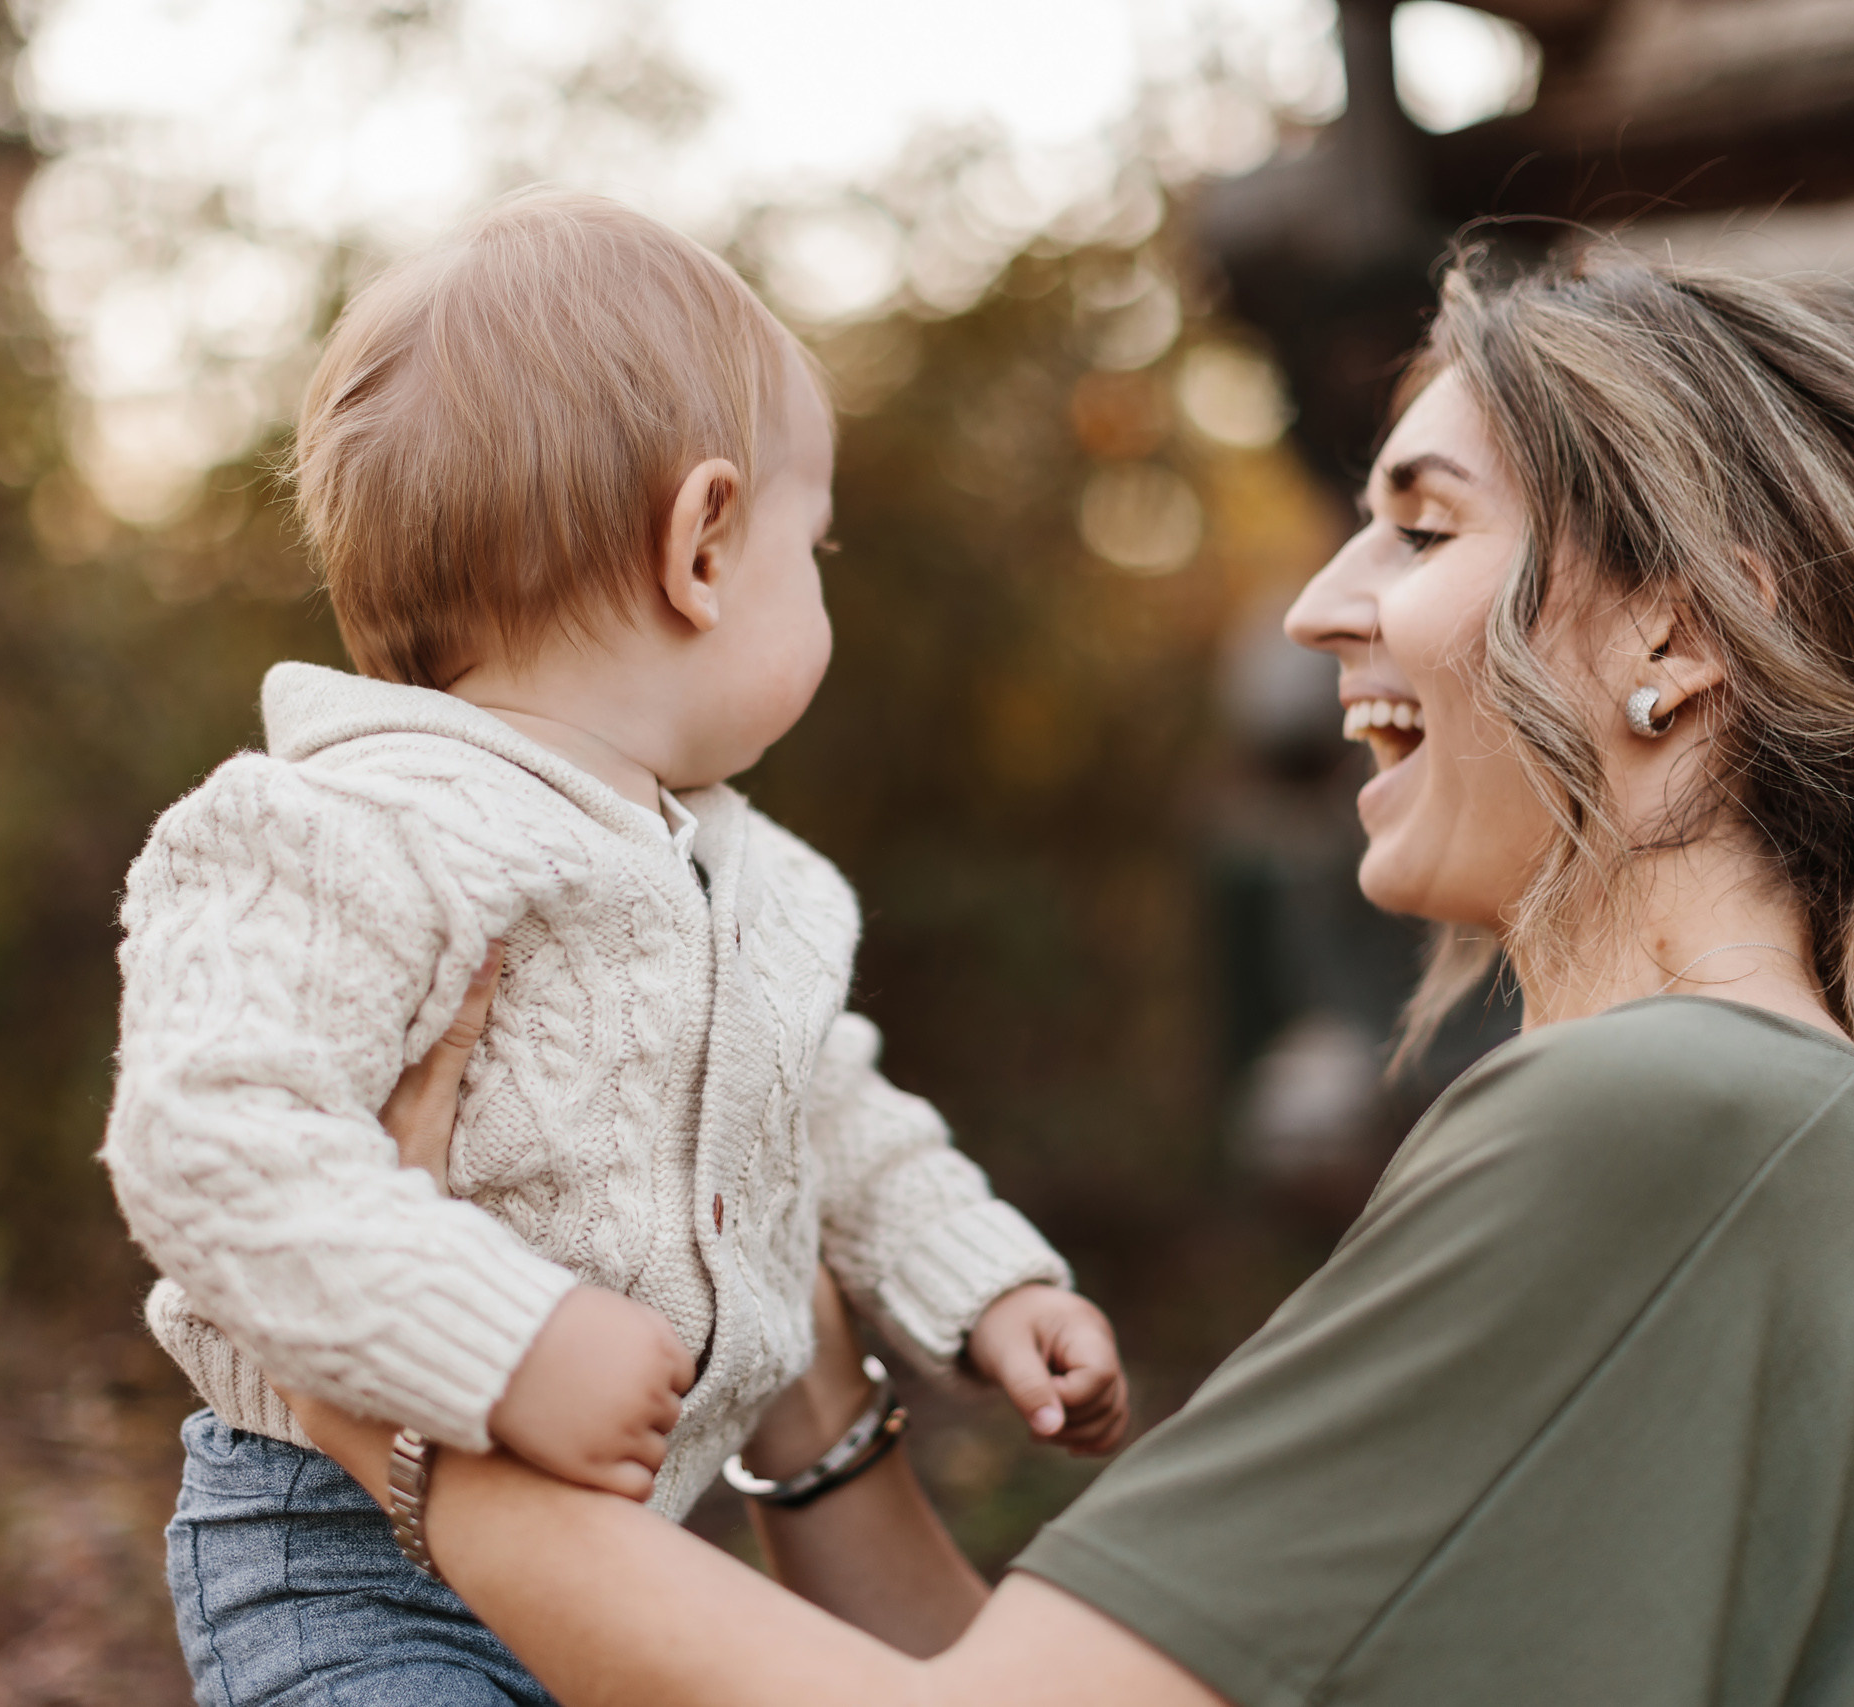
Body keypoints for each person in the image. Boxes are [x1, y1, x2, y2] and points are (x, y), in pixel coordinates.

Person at [295, 249, 1854, 1706]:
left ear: (1678, 625)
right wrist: (796, 1353)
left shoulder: (1658, 1122)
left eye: (1422, 526)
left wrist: (383, 1405)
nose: (1320, 602)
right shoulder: (1800, 1137)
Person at [100, 189, 1127, 1707]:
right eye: (814, 546)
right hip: (345, 1565)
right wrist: (504, 1340)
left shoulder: (750, 880)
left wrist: (983, 1289)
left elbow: (837, 1116)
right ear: (703, 544)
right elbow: (205, 1137)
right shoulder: (338, 825)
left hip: (629, 1555)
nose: (821, 581)